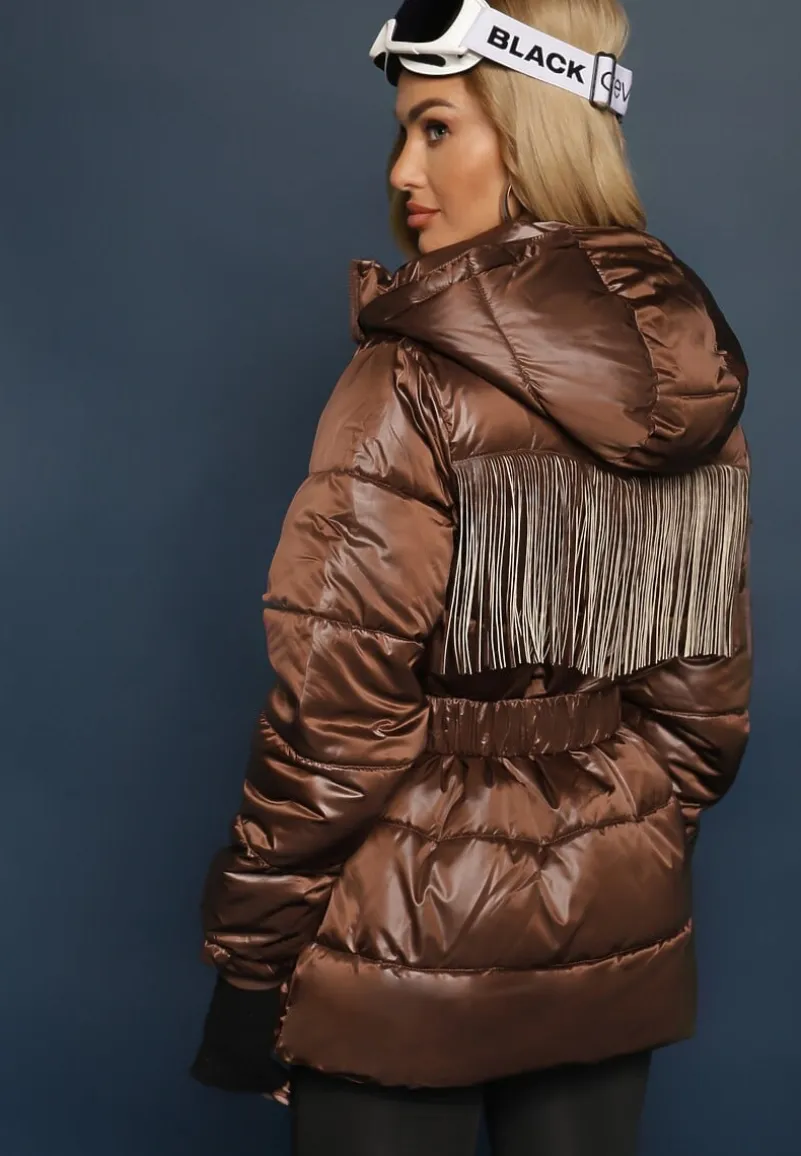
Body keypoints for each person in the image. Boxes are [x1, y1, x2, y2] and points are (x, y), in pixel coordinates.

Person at [189, 2, 753, 1153]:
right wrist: (608, 856)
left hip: (401, 943)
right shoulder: (695, 373)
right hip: (616, 921)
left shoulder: (410, 383)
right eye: (404, 131)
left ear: (533, 133)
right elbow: (702, 714)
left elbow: (335, 726)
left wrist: (252, 963)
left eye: (438, 127)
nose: (404, 170)